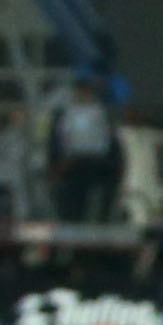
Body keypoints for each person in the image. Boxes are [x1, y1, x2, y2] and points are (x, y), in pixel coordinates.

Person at [47, 77, 119, 223]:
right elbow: (59, 138)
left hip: (95, 162)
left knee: (91, 191)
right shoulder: (67, 113)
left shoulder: (99, 113)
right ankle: (72, 218)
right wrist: (60, 161)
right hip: (72, 162)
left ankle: (94, 218)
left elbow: (106, 141)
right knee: (71, 193)